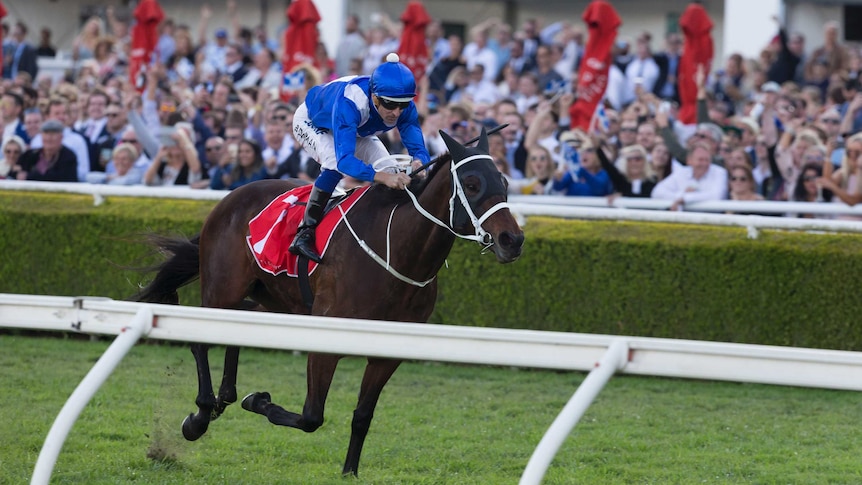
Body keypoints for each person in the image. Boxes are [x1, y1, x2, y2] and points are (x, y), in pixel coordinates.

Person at [289, 53, 430, 263]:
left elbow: (416, 144)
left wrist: (420, 161)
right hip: (313, 121)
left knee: (391, 168)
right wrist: (380, 177)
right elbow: (345, 161)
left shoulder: (402, 105)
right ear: (374, 96)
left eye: (403, 105)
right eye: (390, 104)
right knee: (333, 163)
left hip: (355, 128)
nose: (396, 112)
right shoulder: (352, 102)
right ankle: (305, 231)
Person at [651, 142, 728, 211]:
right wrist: (681, 195)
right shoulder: (682, 172)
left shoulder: (720, 172)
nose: (704, 164)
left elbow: (716, 196)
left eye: (707, 160)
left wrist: (685, 198)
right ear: (689, 160)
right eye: (700, 160)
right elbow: (657, 192)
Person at [14, 119, 78, 182]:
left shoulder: (68, 157)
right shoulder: (31, 154)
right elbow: (16, 171)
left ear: (61, 137)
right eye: (46, 134)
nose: (49, 138)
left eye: (53, 134)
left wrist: (29, 176)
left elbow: (60, 178)